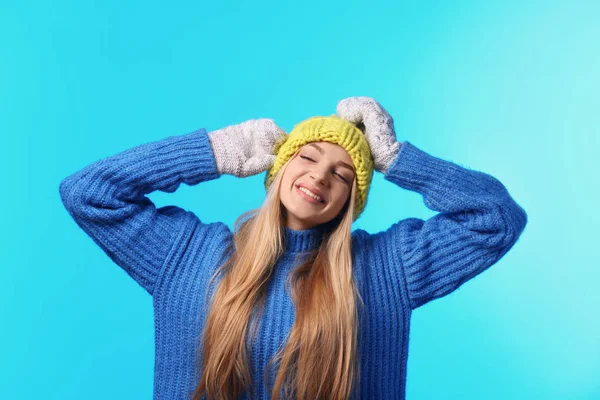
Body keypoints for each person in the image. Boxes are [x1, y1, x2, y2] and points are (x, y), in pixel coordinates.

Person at [59, 96, 528, 400]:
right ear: (279, 169)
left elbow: (497, 219)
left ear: (351, 200)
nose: (320, 176)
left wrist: (395, 157)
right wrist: (216, 150)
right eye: (307, 157)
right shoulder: (187, 255)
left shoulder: (385, 271)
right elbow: (88, 192)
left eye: (343, 175)